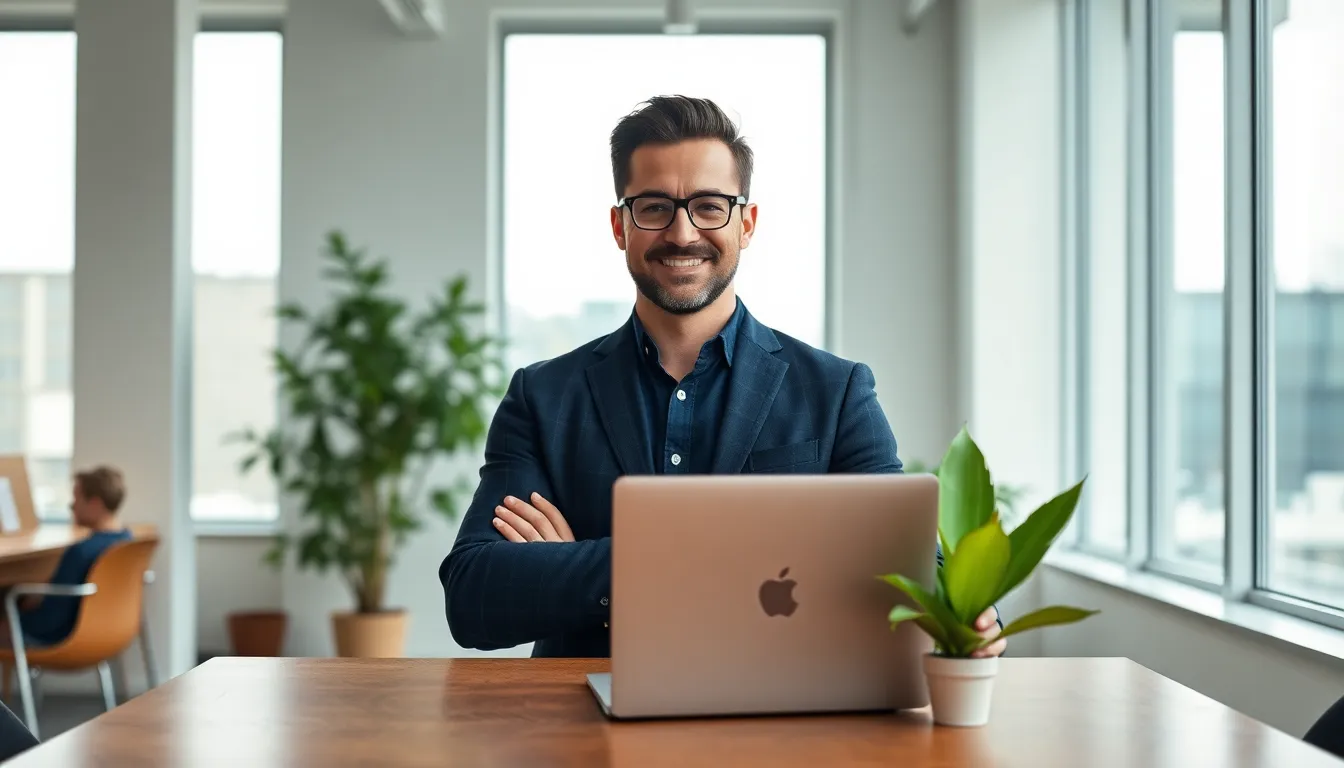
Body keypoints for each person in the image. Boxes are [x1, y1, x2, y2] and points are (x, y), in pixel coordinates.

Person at [440, 95, 1005, 659]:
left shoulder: (836, 393)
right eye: (655, 207)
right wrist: (735, 560)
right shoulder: (542, 397)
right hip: (582, 732)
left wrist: (592, 567)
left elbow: (911, 570)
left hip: (780, 729)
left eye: (710, 206)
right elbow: (475, 597)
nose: (683, 233)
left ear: (746, 222)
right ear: (620, 226)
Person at [0, 466, 132, 649]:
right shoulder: (127, 541)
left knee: (10, 597)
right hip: (108, 632)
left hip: (58, 634)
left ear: (95, 503)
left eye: (76, 500)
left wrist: (25, 597)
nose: (72, 507)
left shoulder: (81, 551)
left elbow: (51, 617)